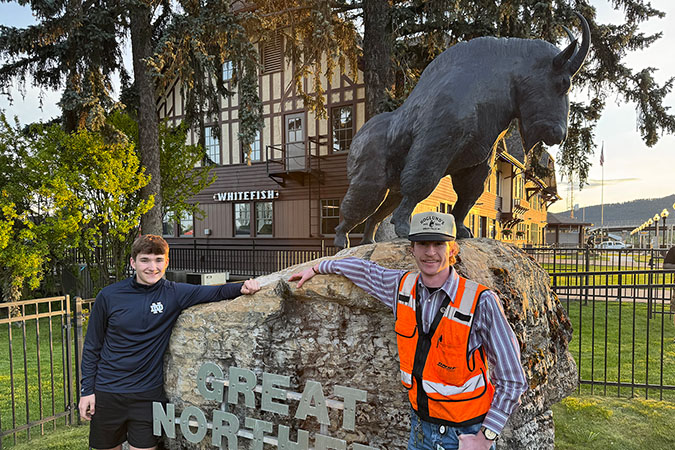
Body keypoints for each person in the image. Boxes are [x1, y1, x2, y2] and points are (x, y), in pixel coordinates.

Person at [290, 212, 527, 450]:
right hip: (421, 431)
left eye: (439, 244)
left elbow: (512, 379)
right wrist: (318, 268)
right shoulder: (401, 287)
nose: (430, 252)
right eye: (422, 243)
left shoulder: (481, 301)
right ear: (412, 249)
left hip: (465, 435)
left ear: (452, 249)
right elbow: (363, 270)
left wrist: (485, 438)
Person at [78, 234, 260, 450]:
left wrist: (243, 287)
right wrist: (87, 391)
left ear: (166, 262)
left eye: (158, 260)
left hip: (147, 396)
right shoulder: (109, 296)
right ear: (133, 263)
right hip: (108, 393)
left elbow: (216, 291)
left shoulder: (174, 293)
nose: (152, 267)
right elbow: (92, 347)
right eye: (145, 260)